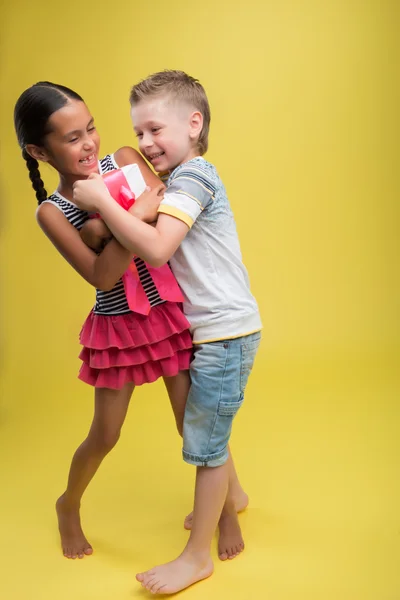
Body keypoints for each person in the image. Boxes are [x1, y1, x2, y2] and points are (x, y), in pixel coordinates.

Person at [72, 70, 262, 594]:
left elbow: (155, 249)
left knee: (204, 442)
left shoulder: (195, 177)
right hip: (207, 330)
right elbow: (129, 230)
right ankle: (235, 498)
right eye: (138, 133)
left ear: (193, 123)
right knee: (209, 427)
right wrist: (104, 213)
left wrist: (103, 204)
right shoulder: (176, 180)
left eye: (155, 130)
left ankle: (196, 556)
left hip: (225, 332)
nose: (144, 143)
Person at [13, 81, 193, 560]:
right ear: (39, 151)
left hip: (169, 312)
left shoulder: (125, 160)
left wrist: (103, 222)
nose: (90, 142)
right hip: (118, 329)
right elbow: (103, 274)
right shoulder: (53, 212)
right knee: (106, 434)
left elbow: (162, 203)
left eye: (90, 128)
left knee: (192, 422)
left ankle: (226, 498)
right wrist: (120, 218)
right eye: (72, 138)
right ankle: (67, 504)